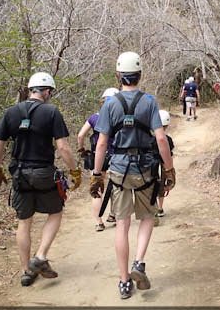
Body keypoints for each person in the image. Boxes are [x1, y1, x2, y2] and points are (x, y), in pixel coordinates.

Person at [90, 51, 175, 299]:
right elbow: (161, 138)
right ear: (140, 74)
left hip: (118, 169)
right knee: (147, 217)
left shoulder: (110, 104)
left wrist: (97, 174)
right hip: (145, 169)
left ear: (118, 75)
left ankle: (124, 281)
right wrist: (168, 169)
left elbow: (102, 143)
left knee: (122, 225)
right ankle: (139, 262)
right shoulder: (149, 102)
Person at [0, 72, 82, 287]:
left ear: (31, 90)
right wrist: (74, 170)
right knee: (55, 212)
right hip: (43, 172)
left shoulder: (11, 113)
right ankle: (39, 257)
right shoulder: (51, 112)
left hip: (19, 173)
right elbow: (63, 147)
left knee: (24, 222)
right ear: (47, 91)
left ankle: (26, 271)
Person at [77, 87, 119, 232]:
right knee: (115, 186)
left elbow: (80, 135)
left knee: (97, 188)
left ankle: (98, 222)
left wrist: (82, 149)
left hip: (97, 156)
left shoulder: (94, 118)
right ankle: (113, 215)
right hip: (115, 156)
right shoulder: (119, 118)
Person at [154, 109, 174, 227]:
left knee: (151, 186)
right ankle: (160, 208)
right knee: (162, 186)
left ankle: (154, 207)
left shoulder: (149, 138)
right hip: (162, 166)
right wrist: (170, 169)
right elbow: (170, 155)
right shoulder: (168, 139)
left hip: (150, 166)